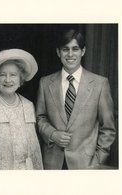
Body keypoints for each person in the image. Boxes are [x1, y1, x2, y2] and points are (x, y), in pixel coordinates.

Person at [36, 29, 116, 169]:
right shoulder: (45, 83)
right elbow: (40, 118)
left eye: (75, 49)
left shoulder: (100, 84)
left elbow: (108, 128)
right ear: (58, 52)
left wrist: (98, 161)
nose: (70, 54)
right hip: (52, 163)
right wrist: (53, 134)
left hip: (86, 165)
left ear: (83, 51)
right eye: (65, 49)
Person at [0, 49, 43, 170]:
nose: (8, 80)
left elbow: (35, 150)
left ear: (20, 79)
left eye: (13, 75)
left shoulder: (28, 105)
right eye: (2, 75)